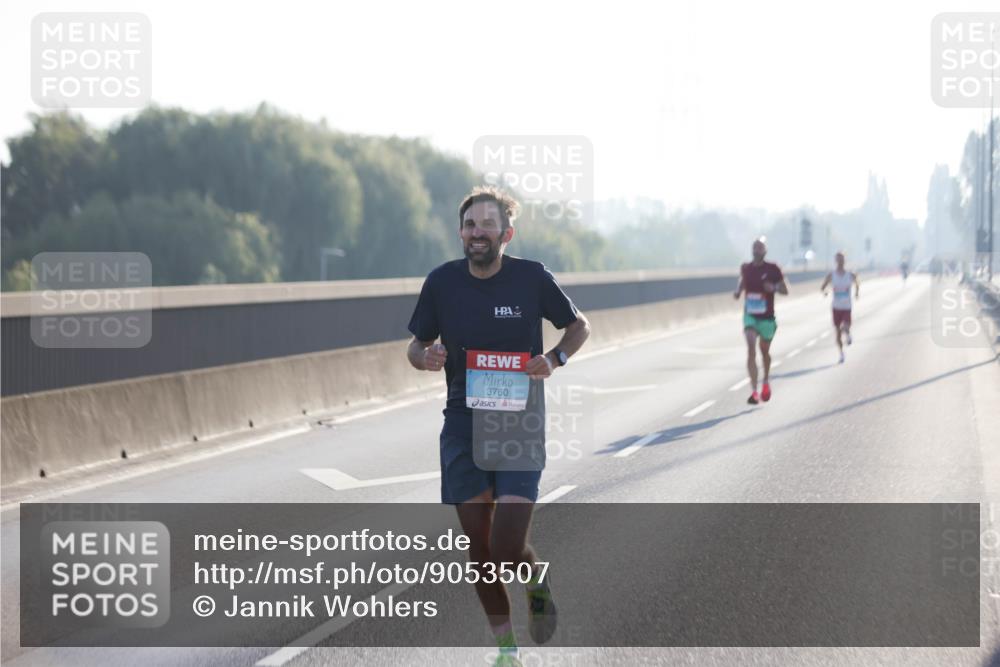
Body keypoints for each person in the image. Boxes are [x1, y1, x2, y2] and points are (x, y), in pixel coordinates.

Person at [407, 186, 591, 667]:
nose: (477, 233)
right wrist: (424, 357)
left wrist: (555, 358)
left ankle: (534, 578)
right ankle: (507, 650)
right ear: (461, 232)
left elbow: (579, 326)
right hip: (463, 427)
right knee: (480, 549)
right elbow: (415, 345)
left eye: (487, 225)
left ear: (506, 233)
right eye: (470, 225)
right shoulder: (441, 283)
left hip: (518, 425)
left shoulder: (531, 278)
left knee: (507, 546)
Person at [733, 239, 788, 404]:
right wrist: (738, 291)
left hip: (767, 318)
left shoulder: (773, 269)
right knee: (751, 349)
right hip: (750, 315)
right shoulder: (746, 268)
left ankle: (765, 381)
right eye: (754, 248)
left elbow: (786, 290)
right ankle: (754, 392)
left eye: (760, 248)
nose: (757, 251)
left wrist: (775, 288)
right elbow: (743, 280)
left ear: (765, 251)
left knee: (764, 352)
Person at [820, 252, 860, 363]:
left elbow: (857, 283)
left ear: (845, 261)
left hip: (847, 306)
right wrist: (825, 291)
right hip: (836, 307)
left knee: (845, 326)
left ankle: (847, 334)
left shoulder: (850, 274)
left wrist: (857, 292)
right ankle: (841, 353)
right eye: (838, 260)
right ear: (836, 261)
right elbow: (823, 286)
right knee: (837, 332)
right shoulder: (831, 275)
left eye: (842, 259)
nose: (840, 262)